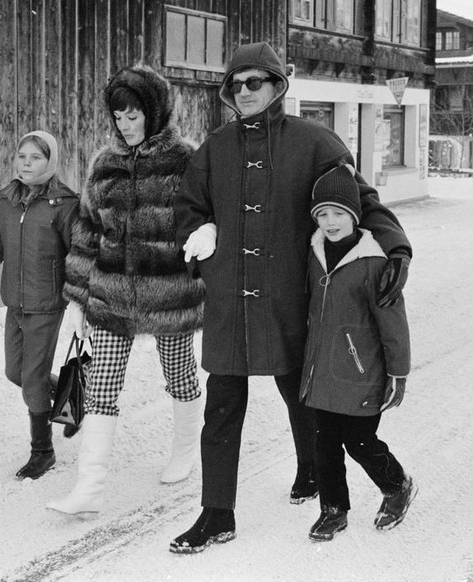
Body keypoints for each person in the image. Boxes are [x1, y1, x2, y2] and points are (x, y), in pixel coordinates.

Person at [170, 41, 412, 554]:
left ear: (277, 85)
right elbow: (188, 208)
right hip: (229, 301)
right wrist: (200, 241)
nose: (244, 91)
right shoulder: (215, 147)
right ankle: (217, 514)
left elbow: (359, 200)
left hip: (292, 299)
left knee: (303, 397)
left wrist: (395, 249)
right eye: (235, 84)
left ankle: (313, 476)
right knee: (222, 406)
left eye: (254, 81)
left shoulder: (314, 141)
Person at [45, 65, 205, 515]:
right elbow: (86, 236)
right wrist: (77, 300)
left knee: (179, 374)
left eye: (133, 116)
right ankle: (89, 490)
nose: (125, 125)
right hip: (111, 295)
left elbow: (206, 222)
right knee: (101, 385)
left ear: (154, 113)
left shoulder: (186, 161)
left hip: (169, 293)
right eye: (118, 117)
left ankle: (184, 450)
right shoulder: (105, 165)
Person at [0, 130, 79, 480]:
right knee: (16, 374)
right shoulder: (5, 200)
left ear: (50, 161)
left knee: (33, 379)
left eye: (35, 158)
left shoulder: (65, 203)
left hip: (47, 304)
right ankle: (74, 401)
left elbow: (80, 255)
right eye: (22, 156)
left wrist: (81, 301)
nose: (26, 163)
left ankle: (43, 452)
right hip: (16, 304)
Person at [300, 163, 416, 541]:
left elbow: (393, 323)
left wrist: (398, 373)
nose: (330, 222)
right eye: (323, 214)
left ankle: (396, 486)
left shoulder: (373, 263)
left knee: (361, 443)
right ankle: (333, 510)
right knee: (325, 446)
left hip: (361, 374)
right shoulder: (314, 254)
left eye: (338, 213)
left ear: (354, 215)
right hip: (321, 374)